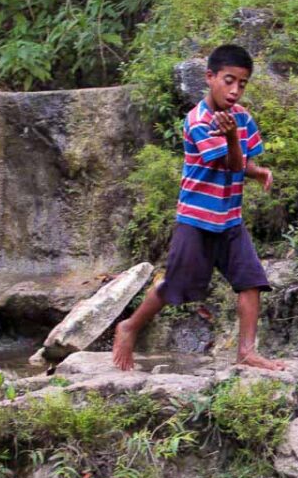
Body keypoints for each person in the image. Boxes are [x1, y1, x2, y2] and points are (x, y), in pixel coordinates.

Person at [112, 44, 285, 372]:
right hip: (196, 218)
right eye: (228, 81)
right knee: (176, 284)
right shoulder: (198, 120)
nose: (235, 90)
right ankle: (129, 327)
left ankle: (246, 352)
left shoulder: (242, 119)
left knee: (251, 281)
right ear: (210, 78)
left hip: (230, 218)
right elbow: (229, 163)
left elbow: (242, 162)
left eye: (242, 84)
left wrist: (257, 170)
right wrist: (233, 141)